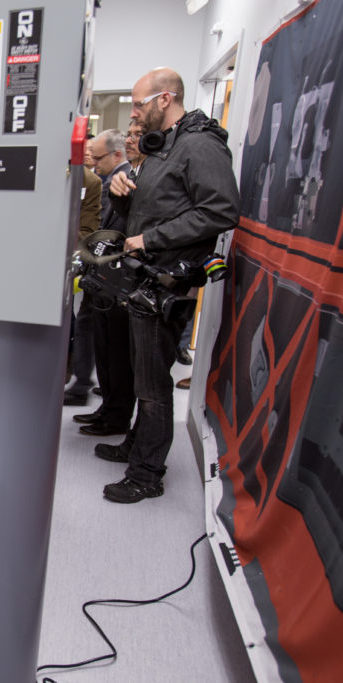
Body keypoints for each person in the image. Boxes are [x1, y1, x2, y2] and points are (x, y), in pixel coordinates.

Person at [99, 67, 240, 503]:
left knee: (154, 386)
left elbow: (220, 210)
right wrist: (122, 192)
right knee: (143, 377)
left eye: (138, 103)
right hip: (145, 279)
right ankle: (136, 447)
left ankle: (147, 475)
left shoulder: (200, 145)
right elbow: (152, 210)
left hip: (167, 284)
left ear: (165, 99)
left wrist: (151, 239)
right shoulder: (165, 148)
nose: (133, 113)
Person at [75, 129, 137, 437]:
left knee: (117, 352)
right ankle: (107, 409)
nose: (93, 162)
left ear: (116, 155)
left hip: (116, 279)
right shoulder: (111, 179)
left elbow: (120, 229)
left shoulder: (125, 182)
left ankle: (116, 417)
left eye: (97, 157)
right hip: (103, 279)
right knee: (104, 347)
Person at [64, 156, 101, 396]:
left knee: (67, 317)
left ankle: (68, 365)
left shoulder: (89, 180)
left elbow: (87, 232)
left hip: (63, 261)